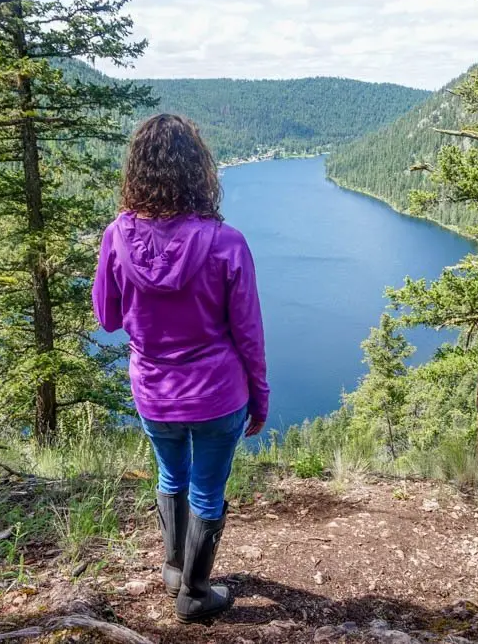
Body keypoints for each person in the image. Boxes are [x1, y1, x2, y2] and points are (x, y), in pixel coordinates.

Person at [92, 114, 269, 622]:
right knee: (207, 490)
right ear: (200, 171)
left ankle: (174, 568)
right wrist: (259, 397)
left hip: (154, 391)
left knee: (172, 475)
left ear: (138, 171)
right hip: (217, 394)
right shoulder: (226, 242)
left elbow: (106, 317)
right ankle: (194, 593)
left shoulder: (117, 237)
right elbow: (249, 335)